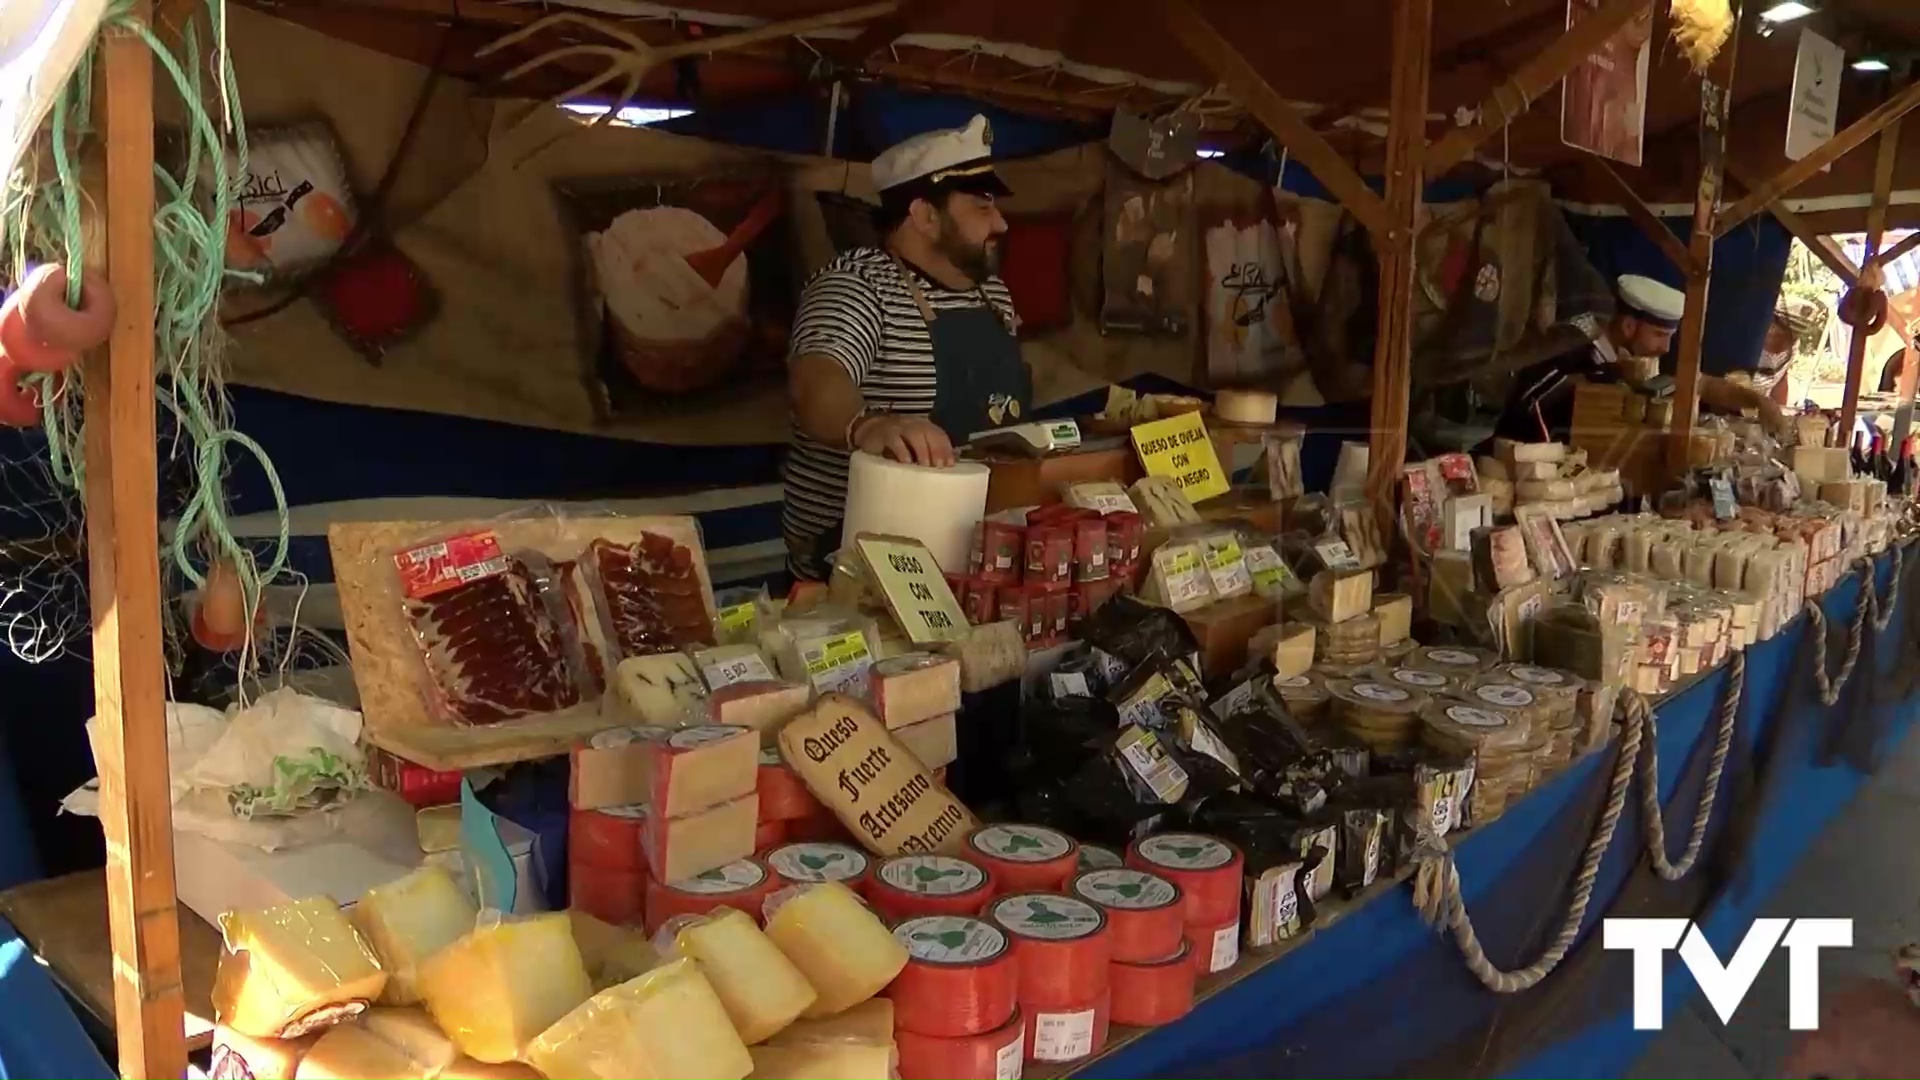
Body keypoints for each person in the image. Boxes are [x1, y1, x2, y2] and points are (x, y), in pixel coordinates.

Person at [780, 115, 1029, 582]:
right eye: (981, 206)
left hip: (975, 557)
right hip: (861, 568)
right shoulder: (856, 285)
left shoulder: (991, 294)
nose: (1000, 221)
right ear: (924, 214)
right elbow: (815, 379)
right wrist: (868, 424)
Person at [1490, 274, 1788, 443]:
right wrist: (1599, 379)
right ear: (1629, 326)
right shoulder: (1572, 343)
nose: (1666, 348)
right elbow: (1528, 404)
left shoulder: (1646, 361)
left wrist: (1758, 400)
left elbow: (1705, 385)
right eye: (1659, 335)